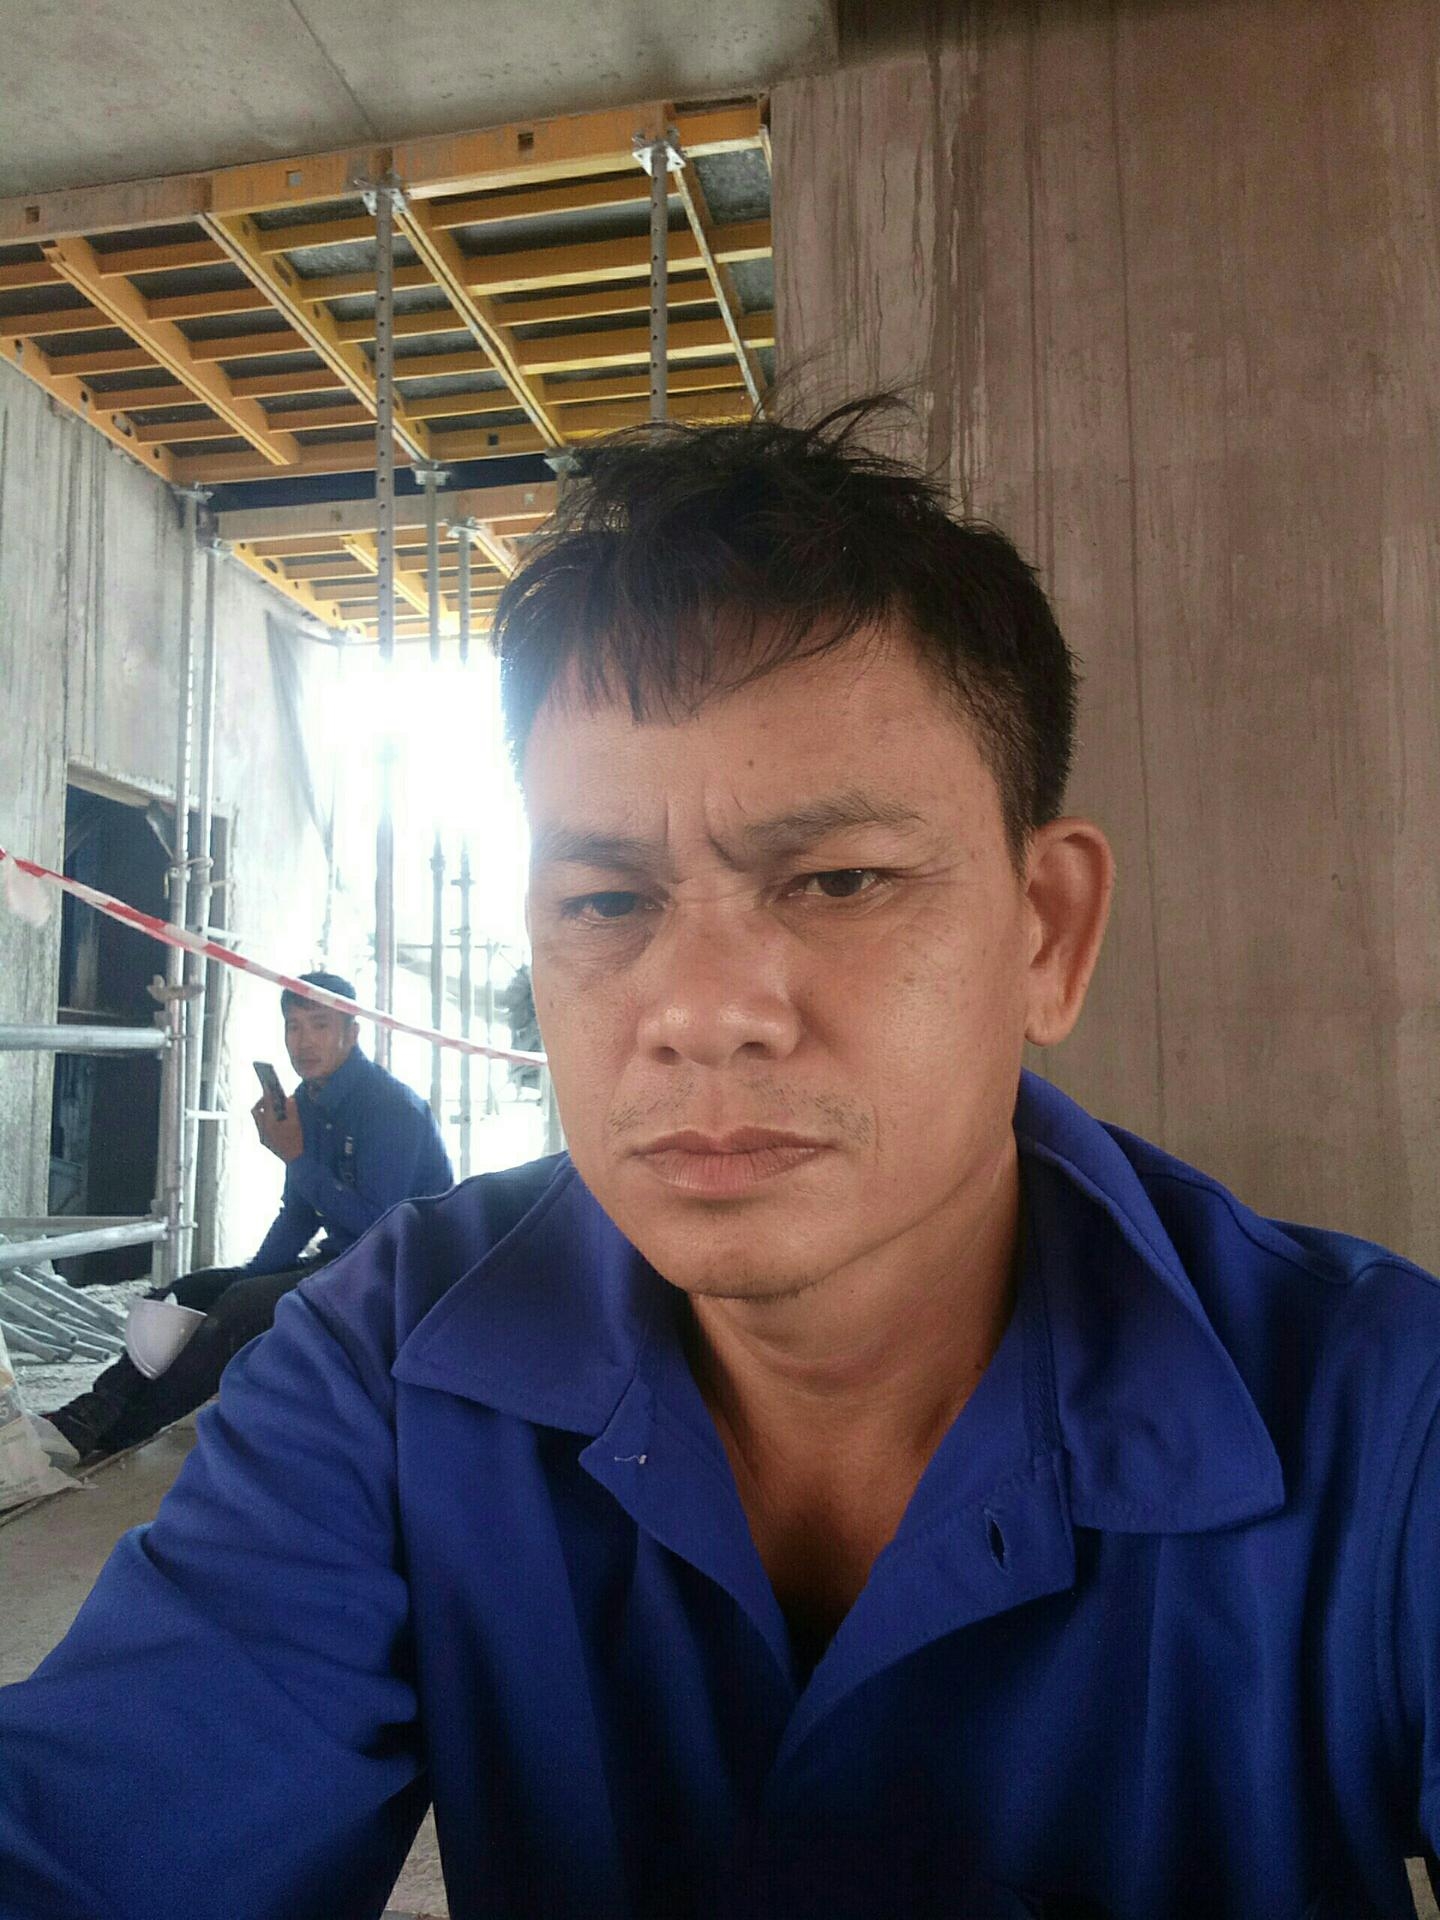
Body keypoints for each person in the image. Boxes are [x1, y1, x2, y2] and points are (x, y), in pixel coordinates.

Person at [3, 402, 1439, 1920]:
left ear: (1047, 933)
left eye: (839, 879)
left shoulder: (1379, 1417)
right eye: (607, 903)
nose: (697, 1011)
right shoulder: (393, 1372)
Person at [45, 970, 453, 1460]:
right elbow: (298, 1214)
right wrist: (250, 1273)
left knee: (240, 1310)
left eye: (320, 1026)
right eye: (293, 1026)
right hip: (341, 1264)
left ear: (352, 1032)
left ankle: (120, 1438)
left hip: (397, 1277)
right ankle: (85, 1416)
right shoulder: (306, 1102)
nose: (304, 1041)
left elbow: (380, 1228)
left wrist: (295, 1159)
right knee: (186, 1294)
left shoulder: (390, 1108)